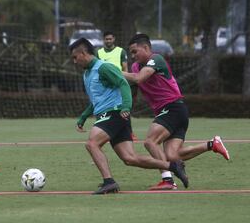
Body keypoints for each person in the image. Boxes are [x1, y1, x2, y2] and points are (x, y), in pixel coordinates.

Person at [69, 37, 188, 194]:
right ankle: (173, 166)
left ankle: (109, 182)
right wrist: (83, 117)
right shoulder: (87, 74)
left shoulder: (103, 68)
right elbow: (96, 100)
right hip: (110, 115)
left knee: (92, 143)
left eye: (75, 57)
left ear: (83, 53)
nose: (74, 61)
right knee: (130, 158)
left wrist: (126, 106)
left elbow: (123, 83)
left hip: (114, 113)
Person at [123, 33, 230, 190]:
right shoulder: (134, 68)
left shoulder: (156, 59)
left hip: (172, 108)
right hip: (174, 112)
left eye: (134, 51)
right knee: (172, 156)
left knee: (150, 142)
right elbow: (133, 87)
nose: (132, 56)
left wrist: (114, 71)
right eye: (130, 53)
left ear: (146, 48)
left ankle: (168, 180)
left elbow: (139, 78)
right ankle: (212, 144)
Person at [97, 31, 138, 141]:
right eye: (106, 39)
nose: (108, 41)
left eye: (110, 39)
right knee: (105, 108)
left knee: (123, 108)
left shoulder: (120, 51)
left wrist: (124, 82)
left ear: (114, 39)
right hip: (106, 87)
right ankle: (106, 130)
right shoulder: (99, 53)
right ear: (103, 40)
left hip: (119, 85)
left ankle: (130, 133)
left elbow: (125, 68)